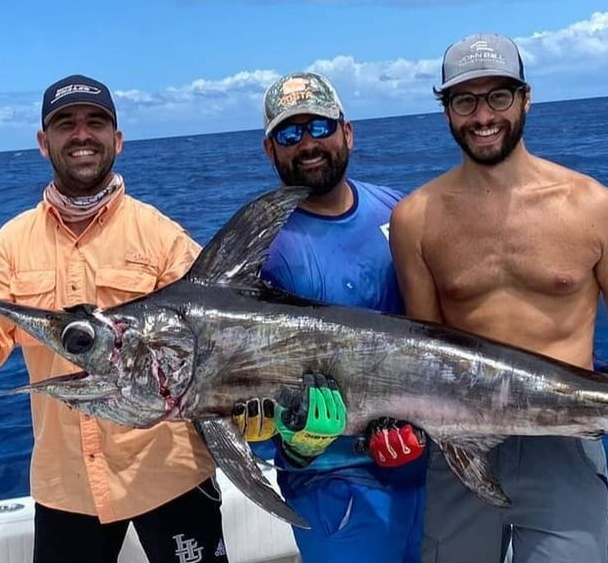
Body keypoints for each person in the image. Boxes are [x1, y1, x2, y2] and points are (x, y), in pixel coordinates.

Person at [390, 33, 608, 563]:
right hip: (460, 441)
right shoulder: (415, 219)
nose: (482, 116)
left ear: (526, 98)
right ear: (446, 110)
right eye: (465, 101)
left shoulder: (592, 206)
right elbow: (426, 351)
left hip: (564, 439)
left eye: (498, 97)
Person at [0, 75, 228, 563]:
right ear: (43, 143)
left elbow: (218, 346)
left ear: (118, 140)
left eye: (96, 122)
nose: (82, 135)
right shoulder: (9, 244)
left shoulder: (163, 237)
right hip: (67, 489)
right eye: (66, 124)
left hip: (169, 476)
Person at [233, 72, 428, 563]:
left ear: (348, 131)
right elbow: (246, 381)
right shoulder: (260, 250)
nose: (307, 144)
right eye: (289, 134)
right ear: (269, 150)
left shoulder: (399, 211)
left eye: (318, 126)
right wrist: (291, 443)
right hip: (330, 488)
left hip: (426, 467)